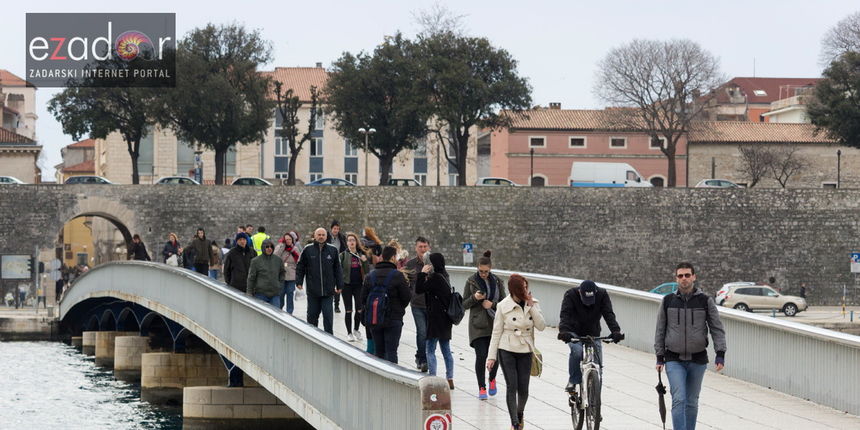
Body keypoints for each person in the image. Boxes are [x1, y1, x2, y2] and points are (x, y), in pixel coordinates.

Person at [655, 262, 727, 430]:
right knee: (679, 399)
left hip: (698, 360)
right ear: (676, 279)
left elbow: (717, 328)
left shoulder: (705, 301)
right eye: (680, 276)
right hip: (674, 359)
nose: (684, 279)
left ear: (694, 277)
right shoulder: (667, 301)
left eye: (687, 275)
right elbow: (660, 330)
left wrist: (720, 353)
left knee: (692, 402)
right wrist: (659, 357)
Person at [487, 274, 546, 430]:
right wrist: (491, 357)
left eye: (527, 287)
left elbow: (541, 326)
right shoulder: (502, 306)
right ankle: (514, 423)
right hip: (507, 347)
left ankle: (520, 414)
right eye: (522, 288)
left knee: (524, 388)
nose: (525, 291)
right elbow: (496, 332)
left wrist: (531, 306)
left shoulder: (533, 303)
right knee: (511, 385)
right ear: (514, 290)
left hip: (526, 348)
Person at [557, 280, 623, 396]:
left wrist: (616, 331)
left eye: (590, 300)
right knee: (577, 352)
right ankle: (573, 380)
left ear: (595, 292)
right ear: (579, 292)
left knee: (598, 368)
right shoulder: (570, 295)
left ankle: (596, 406)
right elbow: (565, 314)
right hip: (574, 331)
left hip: (593, 332)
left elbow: (609, 314)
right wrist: (564, 331)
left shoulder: (602, 295)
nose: (588, 304)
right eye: (585, 300)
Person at [462, 250, 506, 400]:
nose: (483, 274)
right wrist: (475, 298)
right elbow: (464, 304)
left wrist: (492, 304)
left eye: (486, 272)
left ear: (491, 269)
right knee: (481, 356)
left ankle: (492, 379)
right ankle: (482, 387)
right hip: (478, 325)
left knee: (495, 356)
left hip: (495, 324)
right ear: (477, 268)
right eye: (480, 271)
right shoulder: (471, 281)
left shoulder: (498, 281)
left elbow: (504, 304)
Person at [359, 245, 411, 363]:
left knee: (379, 352)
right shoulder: (397, 275)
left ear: (382, 257)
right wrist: (398, 309)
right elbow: (406, 297)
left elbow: (363, 299)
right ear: (393, 258)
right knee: (391, 351)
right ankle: (393, 378)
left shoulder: (370, 276)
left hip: (375, 318)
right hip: (393, 319)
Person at [416, 253, 455, 389]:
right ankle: (450, 378)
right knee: (446, 350)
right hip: (445, 320)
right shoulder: (445, 275)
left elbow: (419, 289)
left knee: (430, 350)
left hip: (435, 319)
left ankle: (432, 378)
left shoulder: (435, 278)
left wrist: (422, 274)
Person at [296, 228, 343, 334]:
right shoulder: (307, 250)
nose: (321, 236)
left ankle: (330, 340)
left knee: (328, 317)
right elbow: (300, 266)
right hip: (313, 291)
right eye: (319, 235)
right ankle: (312, 338)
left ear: (326, 236)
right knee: (312, 318)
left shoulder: (333, 250)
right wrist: (299, 281)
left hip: (328, 292)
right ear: (315, 236)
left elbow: (338, 269)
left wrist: (339, 284)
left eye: (323, 235)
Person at [404, 236, 431, 372]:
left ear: (429, 248)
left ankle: (420, 355)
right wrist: (410, 295)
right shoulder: (410, 264)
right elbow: (405, 282)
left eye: (425, 246)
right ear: (416, 248)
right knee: (422, 332)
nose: (423, 249)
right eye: (420, 247)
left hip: (431, 304)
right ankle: (423, 360)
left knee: (429, 333)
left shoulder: (433, 264)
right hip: (417, 304)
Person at [339, 232, 370, 341]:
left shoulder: (361, 254)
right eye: (349, 240)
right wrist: (338, 284)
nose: (351, 242)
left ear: (356, 242)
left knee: (359, 309)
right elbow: (338, 271)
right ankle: (349, 333)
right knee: (348, 310)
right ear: (347, 243)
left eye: (353, 240)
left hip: (359, 285)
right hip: (346, 285)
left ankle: (356, 329)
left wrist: (365, 262)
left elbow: (367, 271)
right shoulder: (343, 255)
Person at [247, 239, 286, 308]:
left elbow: (282, 273)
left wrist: (279, 285)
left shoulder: (278, 260)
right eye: (267, 247)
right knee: (261, 316)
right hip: (260, 294)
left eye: (271, 247)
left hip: (275, 294)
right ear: (263, 248)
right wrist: (249, 292)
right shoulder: (255, 261)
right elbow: (251, 278)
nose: (269, 248)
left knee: (275, 315)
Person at [274, 232, 300, 314]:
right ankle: (279, 309)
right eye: (286, 239)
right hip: (281, 274)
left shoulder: (295, 249)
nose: (288, 241)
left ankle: (290, 312)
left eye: (289, 239)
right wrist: (282, 247)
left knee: (290, 294)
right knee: (281, 294)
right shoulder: (280, 247)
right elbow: (275, 257)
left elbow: (298, 261)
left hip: (291, 275)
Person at [328, 220, 347, 313]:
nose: (336, 230)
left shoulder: (342, 238)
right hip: (327, 263)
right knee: (329, 283)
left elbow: (344, 249)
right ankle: (329, 302)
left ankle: (336, 305)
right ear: (331, 229)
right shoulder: (327, 237)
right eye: (334, 228)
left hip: (338, 263)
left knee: (338, 283)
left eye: (337, 229)